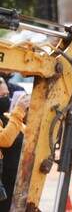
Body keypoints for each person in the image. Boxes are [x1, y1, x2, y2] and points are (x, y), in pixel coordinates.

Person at [0, 77, 30, 211]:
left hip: (15, 183)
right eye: (2, 96)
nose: (6, 99)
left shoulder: (8, 117)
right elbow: (5, 139)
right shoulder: (14, 117)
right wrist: (18, 112)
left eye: (7, 95)